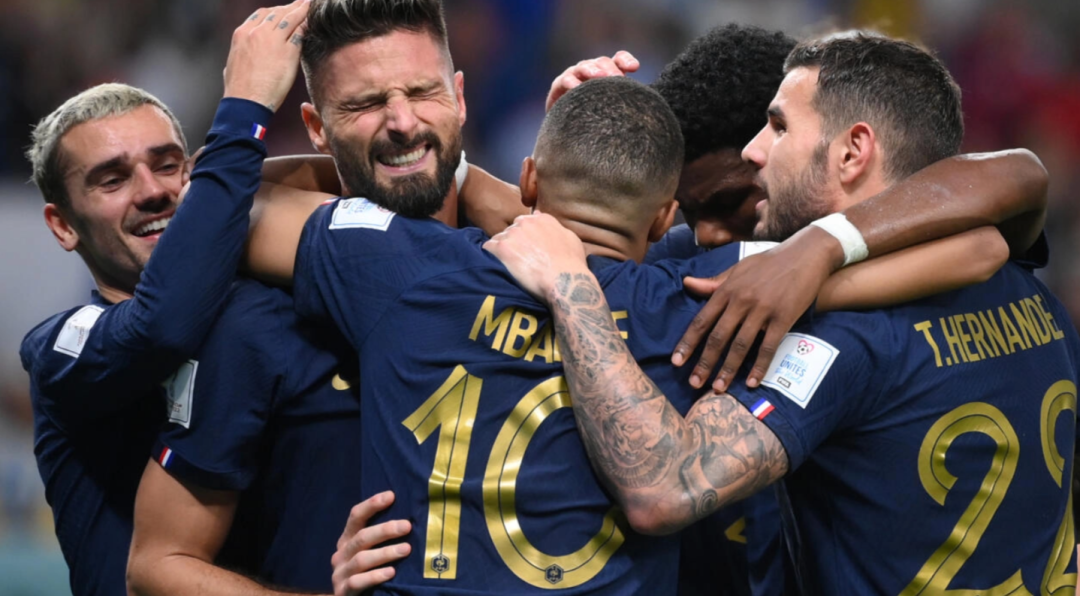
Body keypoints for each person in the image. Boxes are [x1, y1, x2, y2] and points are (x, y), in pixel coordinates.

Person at [487, 31, 1079, 594]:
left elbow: (664, 488)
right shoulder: (1028, 289)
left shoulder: (842, 332)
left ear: (852, 152)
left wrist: (568, 284)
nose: (755, 150)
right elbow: (1011, 196)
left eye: (778, 126)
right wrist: (583, 144)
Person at [17, 3, 313, 593]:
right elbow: (162, 324)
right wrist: (245, 108)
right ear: (63, 225)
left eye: (168, 165)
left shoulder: (263, 302)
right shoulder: (60, 348)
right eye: (112, 179)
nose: (153, 192)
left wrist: (466, 182)